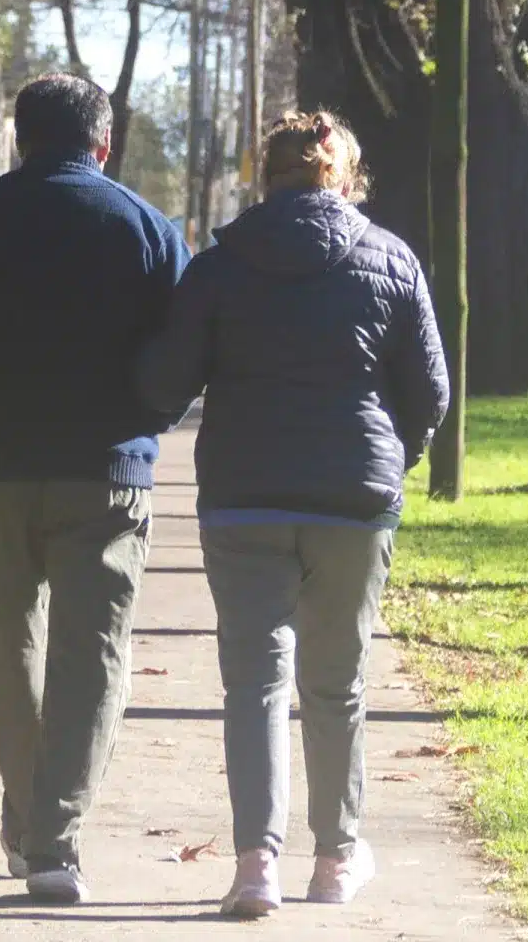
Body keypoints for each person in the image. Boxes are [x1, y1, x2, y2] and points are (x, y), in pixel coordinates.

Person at [0, 73, 191, 904]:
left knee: (7, 635)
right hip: (106, 473)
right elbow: (183, 350)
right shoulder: (147, 227)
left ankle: (27, 817)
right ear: (104, 143)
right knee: (94, 652)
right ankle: (55, 839)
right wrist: (146, 419)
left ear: (21, 139)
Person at [137, 110, 449, 918]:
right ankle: (337, 859)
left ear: (264, 176)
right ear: (342, 177)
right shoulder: (391, 257)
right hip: (355, 500)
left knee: (254, 685)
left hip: (245, 498)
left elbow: (167, 384)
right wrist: (389, 459)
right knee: (338, 684)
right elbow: (431, 393)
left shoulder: (221, 264)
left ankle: (254, 867)